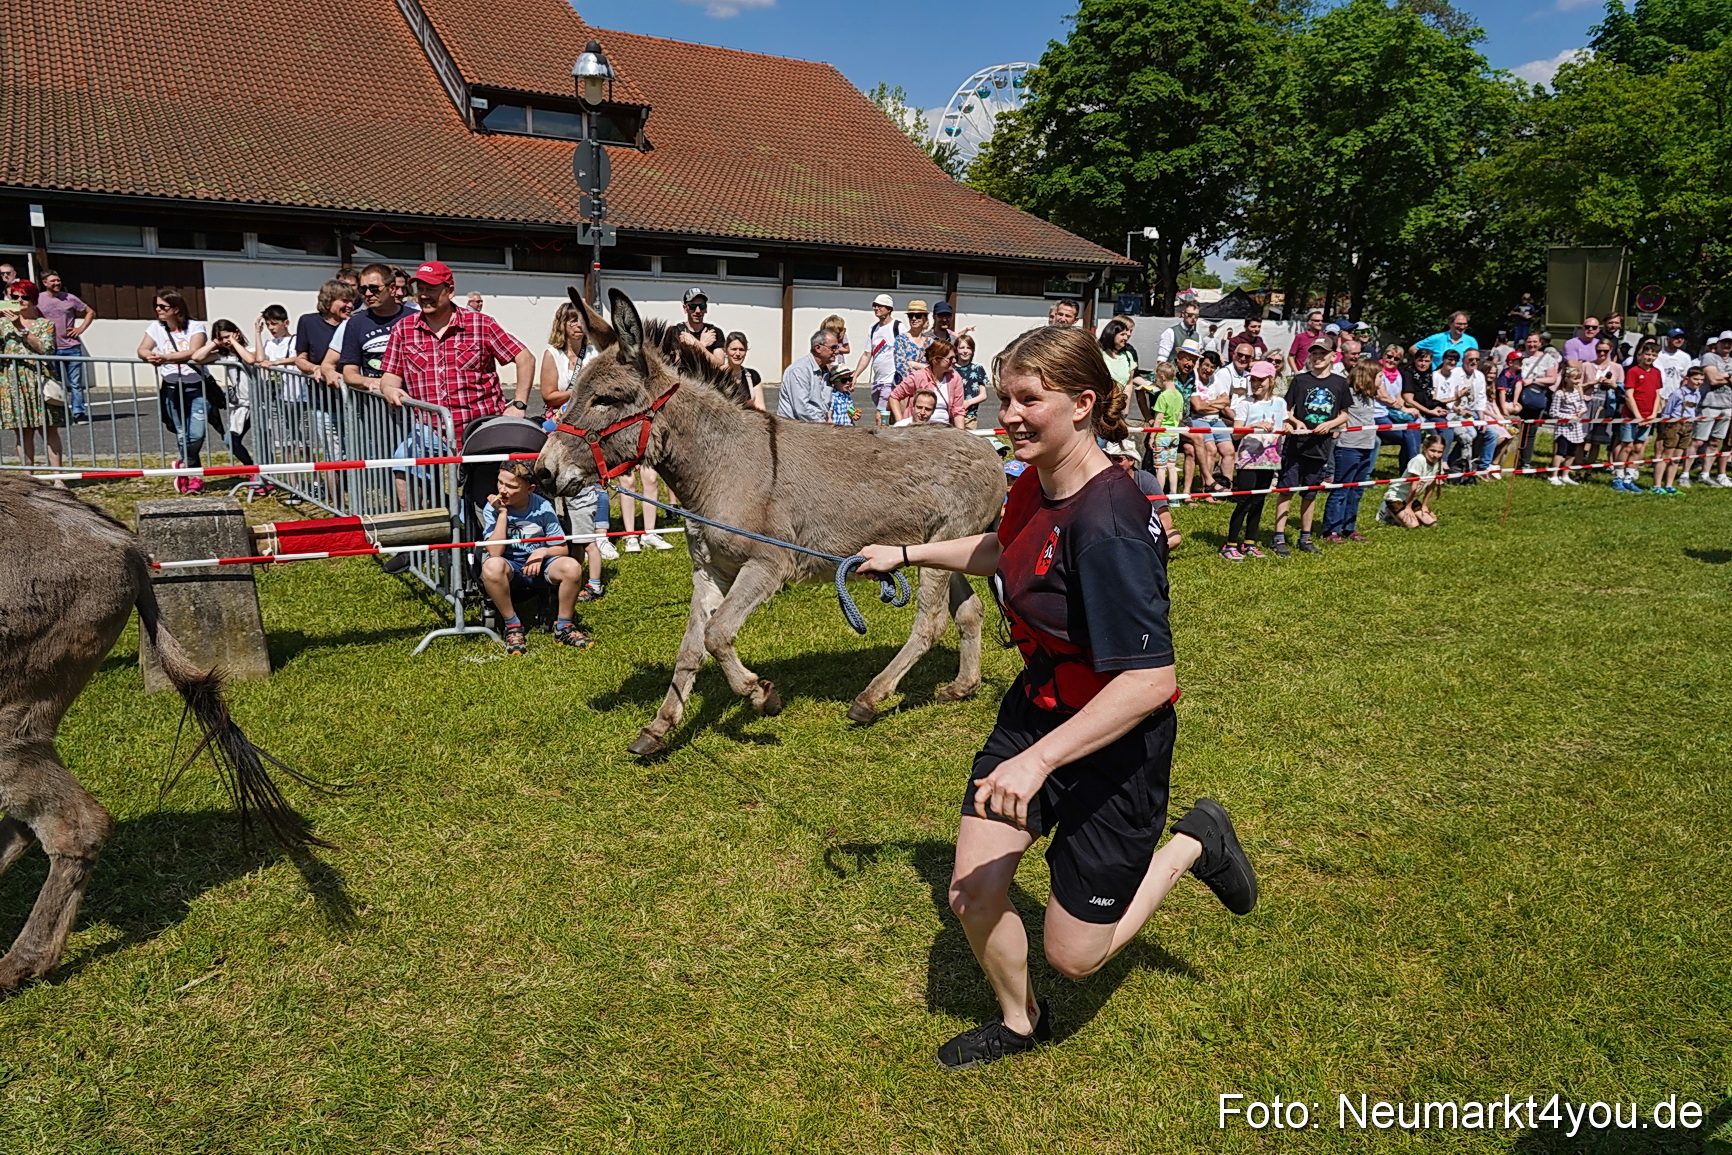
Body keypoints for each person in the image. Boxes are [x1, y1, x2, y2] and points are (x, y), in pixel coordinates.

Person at [853, 324, 1256, 1071]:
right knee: (972, 894)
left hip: (1116, 748)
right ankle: (1019, 1019)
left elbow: (1149, 681)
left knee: (1075, 955)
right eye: (1005, 397)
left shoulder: (1108, 525)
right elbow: (1004, 550)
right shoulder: (1032, 482)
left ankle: (1195, 841)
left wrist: (1039, 763)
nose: (1008, 413)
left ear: (1083, 403)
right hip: (1038, 710)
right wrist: (905, 551)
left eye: (1028, 399)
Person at [378, 260, 537, 513]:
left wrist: (518, 403)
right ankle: (422, 538)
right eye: (420, 287)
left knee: (484, 496)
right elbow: (390, 376)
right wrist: (389, 389)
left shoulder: (480, 324)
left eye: (431, 288)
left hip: (481, 427)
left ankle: (484, 540)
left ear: (449, 291)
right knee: (405, 464)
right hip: (431, 427)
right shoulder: (404, 329)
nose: (423, 295)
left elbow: (524, 357)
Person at [480, 461, 593, 655]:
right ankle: (513, 626)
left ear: (530, 489)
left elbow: (561, 548)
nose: (502, 490)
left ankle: (564, 626)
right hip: (510, 565)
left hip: (541, 565)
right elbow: (495, 552)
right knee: (491, 566)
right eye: (500, 482)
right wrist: (502, 514)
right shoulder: (493, 508)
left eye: (511, 486)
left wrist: (542, 552)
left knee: (572, 567)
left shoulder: (542, 507)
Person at [539, 300, 617, 567]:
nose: (576, 325)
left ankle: (601, 533)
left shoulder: (594, 353)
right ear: (561, 324)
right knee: (551, 460)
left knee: (597, 474)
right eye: (571, 320)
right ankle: (554, 526)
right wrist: (579, 393)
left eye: (580, 321)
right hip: (560, 417)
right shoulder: (553, 354)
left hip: (589, 419)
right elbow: (549, 395)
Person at [1270, 341, 1351, 556]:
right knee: (1286, 490)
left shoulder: (1340, 383)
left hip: (1321, 446)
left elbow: (1344, 414)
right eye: (1314, 353)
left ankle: (1305, 537)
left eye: (1322, 354)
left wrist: (1331, 424)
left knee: (1310, 493)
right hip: (1297, 445)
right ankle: (1278, 537)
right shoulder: (1300, 380)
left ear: (1333, 356)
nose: (1317, 357)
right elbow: (1285, 409)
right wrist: (1294, 422)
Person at [137, 290, 216, 491]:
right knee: (181, 433)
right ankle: (193, 474)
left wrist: (165, 358)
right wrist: (150, 356)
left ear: (176, 309)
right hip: (171, 386)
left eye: (163, 307)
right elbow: (142, 349)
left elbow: (193, 351)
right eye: (156, 306)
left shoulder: (195, 326)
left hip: (196, 386)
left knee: (196, 434)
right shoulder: (155, 327)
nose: (158, 310)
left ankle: (183, 464)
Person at [1222, 360, 1285, 560]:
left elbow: (1283, 424)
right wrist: (1254, 425)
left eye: (1261, 380)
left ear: (1271, 380)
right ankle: (1230, 544)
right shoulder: (1245, 404)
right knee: (1245, 501)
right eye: (1254, 380)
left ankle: (1250, 542)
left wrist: (1290, 427)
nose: (1256, 383)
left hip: (1270, 457)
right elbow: (1236, 434)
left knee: (1259, 501)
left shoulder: (1280, 403)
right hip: (1248, 459)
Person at [0, 279, 64, 470]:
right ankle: (29, 476)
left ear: (34, 300)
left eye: (25, 297)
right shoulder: (2, 324)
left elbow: (46, 349)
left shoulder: (45, 324)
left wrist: (21, 327)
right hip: (13, 382)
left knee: (49, 429)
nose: (19, 300)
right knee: (23, 431)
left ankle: (57, 476)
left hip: (39, 380)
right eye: (14, 297)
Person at [1320, 361, 1383, 543]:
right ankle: (1330, 530)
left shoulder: (1370, 396)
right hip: (1348, 446)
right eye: (1379, 376)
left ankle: (1349, 527)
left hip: (1367, 446)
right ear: (1368, 377)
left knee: (1357, 490)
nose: (1382, 380)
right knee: (1342, 488)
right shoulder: (1349, 394)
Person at [198, 319, 260, 484]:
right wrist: (214, 343)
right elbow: (198, 357)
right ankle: (252, 469)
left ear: (236, 333)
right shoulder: (223, 355)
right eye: (222, 338)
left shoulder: (250, 350)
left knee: (262, 442)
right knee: (230, 440)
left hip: (256, 404)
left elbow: (250, 359)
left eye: (228, 336)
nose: (226, 341)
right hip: (238, 406)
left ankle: (262, 474)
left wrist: (234, 341)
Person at [340, 263, 416, 390]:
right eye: (363, 289)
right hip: (375, 405)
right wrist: (368, 381)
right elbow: (349, 372)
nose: (368, 294)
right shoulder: (356, 323)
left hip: (412, 403)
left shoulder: (415, 318)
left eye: (374, 288)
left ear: (392, 288)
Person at [36, 270, 94, 423]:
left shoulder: (70, 298)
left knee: (75, 383)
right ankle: (61, 413)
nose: (56, 283)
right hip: (50, 347)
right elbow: (20, 308)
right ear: (45, 283)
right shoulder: (38, 299)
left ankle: (79, 413)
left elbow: (90, 312)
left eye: (58, 280)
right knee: (54, 382)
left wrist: (80, 329)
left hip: (71, 346)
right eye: (53, 281)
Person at [1104, 436, 1180, 550]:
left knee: (1175, 537)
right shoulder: (1102, 481)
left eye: (1118, 459)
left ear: (1131, 460)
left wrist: (1145, 538)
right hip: (1111, 533)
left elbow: (1165, 519)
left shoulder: (1146, 480)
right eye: (1110, 459)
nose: (1113, 463)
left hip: (1142, 532)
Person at [889, 339, 967, 427]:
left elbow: (958, 410)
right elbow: (894, 397)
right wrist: (900, 422)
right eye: (950, 358)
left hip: (945, 430)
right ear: (936, 359)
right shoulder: (918, 376)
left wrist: (961, 434)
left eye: (955, 357)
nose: (954, 361)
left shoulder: (955, 377)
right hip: (918, 429)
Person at [1618, 338, 1662, 491]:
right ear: (1640, 354)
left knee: (1638, 447)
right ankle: (1618, 477)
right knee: (1627, 446)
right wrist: (1638, 416)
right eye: (1647, 354)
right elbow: (1629, 395)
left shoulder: (1656, 373)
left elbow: (1657, 394)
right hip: (1631, 415)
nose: (1650, 357)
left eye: (1653, 355)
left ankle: (1629, 478)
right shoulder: (1633, 371)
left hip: (1648, 416)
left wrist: (1652, 414)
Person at [774, 328, 843, 423]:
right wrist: (824, 427)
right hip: (794, 430)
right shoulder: (799, 370)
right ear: (818, 348)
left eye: (837, 347)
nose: (837, 351)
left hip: (816, 428)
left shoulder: (825, 371)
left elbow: (825, 405)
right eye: (833, 347)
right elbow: (802, 408)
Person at [1580, 336, 1624, 482]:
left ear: (1611, 350)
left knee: (1596, 441)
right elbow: (1578, 386)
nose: (1602, 354)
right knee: (1581, 440)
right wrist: (1591, 382)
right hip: (1588, 403)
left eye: (1605, 351)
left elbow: (1622, 388)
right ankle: (1577, 470)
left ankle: (1589, 472)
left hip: (1606, 405)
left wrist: (1613, 384)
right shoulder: (1586, 365)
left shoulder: (1617, 368)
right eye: (1599, 351)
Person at [1378, 433, 1446, 527]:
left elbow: (1432, 485)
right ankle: (1387, 509)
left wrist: (1424, 505)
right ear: (1424, 448)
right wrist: (1408, 507)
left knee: (1432, 523)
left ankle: (1404, 512)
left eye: (1439, 452)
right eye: (1432, 450)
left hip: (1411, 498)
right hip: (1397, 497)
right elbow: (1413, 486)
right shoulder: (1419, 460)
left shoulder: (1438, 461)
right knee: (1413, 525)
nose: (1435, 455)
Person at [1515, 332, 1561, 470]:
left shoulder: (1547, 359)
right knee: (1514, 429)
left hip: (1534, 398)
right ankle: (1512, 459)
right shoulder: (1519, 356)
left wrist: (1533, 380)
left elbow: (1552, 379)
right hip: (1517, 397)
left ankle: (1526, 462)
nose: (1532, 345)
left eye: (1535, 342)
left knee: (1530, 431)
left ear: (1540, 343)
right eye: (1529, 342)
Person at [1372, 345, 1422, 471]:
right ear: (1383, 355)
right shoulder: (1376, 371)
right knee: (1407, 435)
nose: (1392, 360)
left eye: (1396, 358)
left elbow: (1399, 397)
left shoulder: (1397, 374)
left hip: (1391, 413)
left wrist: (1405, 408)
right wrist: (1405, 409)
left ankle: (1408, 469)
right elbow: (1382, 396)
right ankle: (1414, 467)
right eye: (1389, 356)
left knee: (1413, 426)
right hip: (1377, 414)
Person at [1653, 365, 1703, 493]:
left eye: (1701, 380)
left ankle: (1669, 485)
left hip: (1688, 426)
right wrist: (1665, 428)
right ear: (1688, 378)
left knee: (1677, 458)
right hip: (1674, 425)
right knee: (1666, 456)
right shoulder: (1678, 393)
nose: (1699, 382)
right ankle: (1656, 485)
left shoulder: (1697, 394)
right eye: (1696, 379)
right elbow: (1667, 412)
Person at [1692, 331, 1732, 487]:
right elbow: (1713, 380)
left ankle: (1705, 473)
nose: (1727, 345)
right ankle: (1685, 473)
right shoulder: (1709, 357)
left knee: (1716, 441)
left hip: (1728, 405)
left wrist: (1722, 375)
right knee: (1698, 440)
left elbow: (1717, 376)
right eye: (1724, 342)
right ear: (1718, 343)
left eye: (1730, 343)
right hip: (1709, 404)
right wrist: (1729, 377)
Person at [861, 294, 901, 423]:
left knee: (880, 415)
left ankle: (880, 441)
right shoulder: (874, 329)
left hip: (890, 381)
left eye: (880, 306)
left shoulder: (898, 327)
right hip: (877, 381)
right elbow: (867, 354)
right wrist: (855, 375)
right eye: (875, 306)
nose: (876, 308)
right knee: (889, 416)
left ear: (889, 309)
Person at [1548, 364, 1589, 485]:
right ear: (1566, 379)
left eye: (1578, 378)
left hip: (1576, 427)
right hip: (1563, 427)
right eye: (1574, 378)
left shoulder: (1577, 392)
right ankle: (1553, 475)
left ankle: (1565, 475)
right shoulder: (1559, 394)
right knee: (1561, 451)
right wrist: (1569, 417)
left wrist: (1582, 411)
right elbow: (1553, 412)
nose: (1577, 381)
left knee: (1572, 452)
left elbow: (1583, 405)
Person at [1148, 362, 1183, 495]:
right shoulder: (1179, 395)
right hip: (1175, 434)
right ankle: (1173, 496)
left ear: (1162, 377)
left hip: (1162, 435)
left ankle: (1159, 496)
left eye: (1157, 378)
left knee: (1160, 468)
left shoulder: (1163, 396)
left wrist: (1152, 436)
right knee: (1172, 467)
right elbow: (1180, 416)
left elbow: (1158, 419)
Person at [1412, 311, 1479, 364]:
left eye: (1465, 324)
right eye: (1459, 324)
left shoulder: (1471, 341)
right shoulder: (1437, 338)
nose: (1462, 327)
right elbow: (1413, 349)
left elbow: (1475, 362)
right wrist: (1426, 361)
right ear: (1450, 324)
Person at [894, 301, 935, 387]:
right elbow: (901, 366)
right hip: (905, 389)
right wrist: (923, 369)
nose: (913, 318)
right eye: (910, 316)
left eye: (918, 315)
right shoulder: (901, 339)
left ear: (925, 318)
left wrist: (914, 364)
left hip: (925, 390)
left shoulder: (931, 342)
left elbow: (934, 368)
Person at [954, 334, 989, 429]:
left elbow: (983, 395)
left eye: (968, 348)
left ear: (973, 351)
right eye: (961, 348)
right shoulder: (950, 369)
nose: (965, 351)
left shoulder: (978, 369)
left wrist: (968, 403)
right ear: (956, 350)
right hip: (952, 416)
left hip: (970, 417)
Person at [723, 332, 764, 411]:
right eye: (734, 349)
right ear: (726, 350)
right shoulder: (716, 375)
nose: (738, 354)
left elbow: (761, 409)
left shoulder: (753, 376)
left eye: (741, 350)